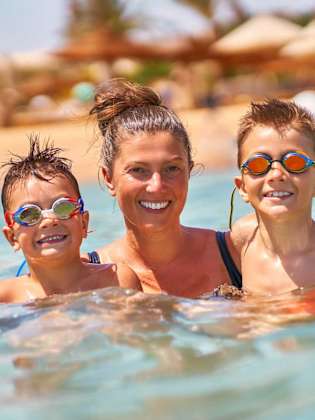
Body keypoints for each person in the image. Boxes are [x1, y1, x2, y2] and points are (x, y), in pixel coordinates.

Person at [87, 79, 241, 298]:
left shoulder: (234, 254)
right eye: (138, 170)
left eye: (171, 168)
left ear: (189, 171)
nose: (156, 185)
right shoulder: (86, 275)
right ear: (108, 178)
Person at [0, 135, 141, 303]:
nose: (49, 220)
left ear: (83, 223)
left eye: (62, 207)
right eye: (30, 214)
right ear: (12, 237)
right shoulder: (6, 298)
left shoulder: (116, 280)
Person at [231, 99, 315, 294]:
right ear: (242, 187)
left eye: (295, 162)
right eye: (258, 165)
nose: (277, 174)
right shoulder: (240, 241)